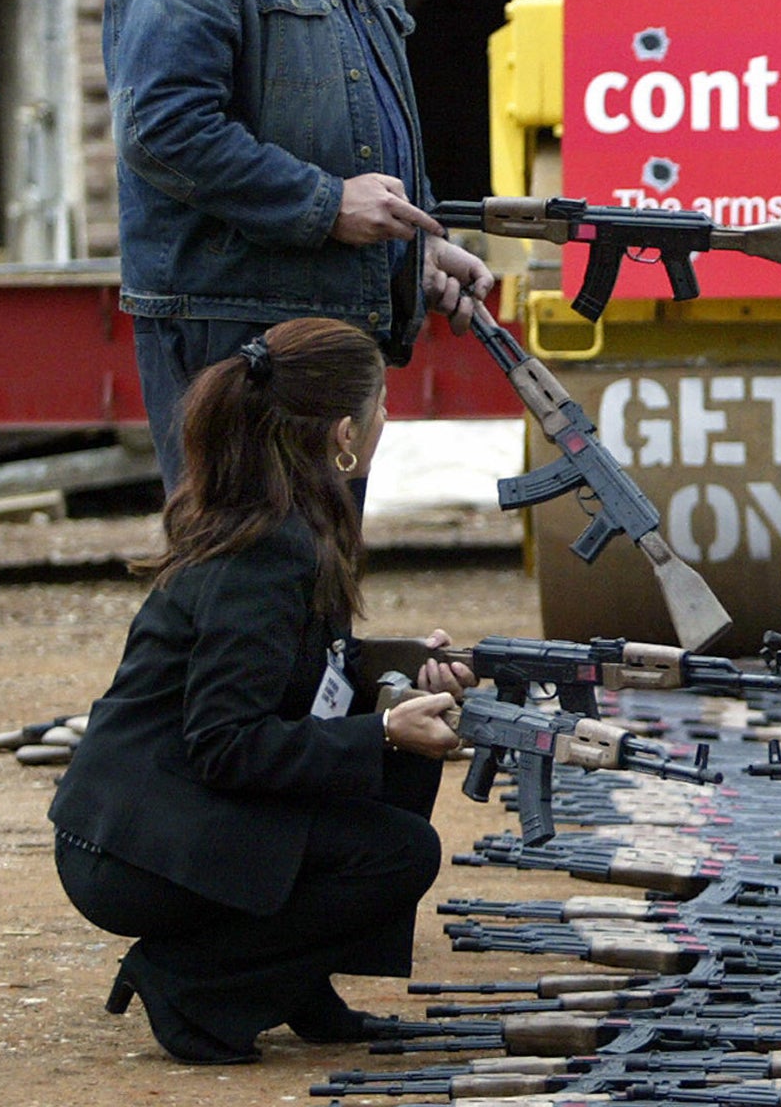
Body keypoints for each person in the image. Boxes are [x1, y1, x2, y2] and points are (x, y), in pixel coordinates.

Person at [49, 318, 473, 1065]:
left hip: (159, 813)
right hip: (131, 851)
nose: (387, 421)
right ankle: (188, 985)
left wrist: (393, 670)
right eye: (380, 407)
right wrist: (381, 732)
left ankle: (294, 984)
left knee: (395, 769)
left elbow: (295, 673)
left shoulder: (285, 521)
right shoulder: (266, 554)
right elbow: (225, 744)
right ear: (343, 433)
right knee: (397, 852)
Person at [105, 0, 492, 489]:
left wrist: (415, 245)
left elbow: (358, 123)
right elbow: (161, 128)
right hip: (237, 329)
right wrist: (326, 205)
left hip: (318, 323)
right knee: (242, 572)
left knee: (313, 569)